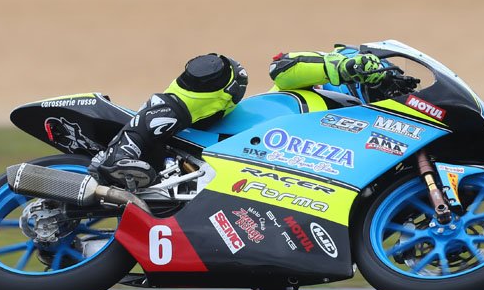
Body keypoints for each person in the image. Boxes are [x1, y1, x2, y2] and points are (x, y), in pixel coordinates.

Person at [90, 47, 388, 188]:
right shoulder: (322, 86)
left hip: (267, 181)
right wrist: (344, 65)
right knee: (224, 73)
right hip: (223, 139)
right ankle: (123, 150)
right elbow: (282, 67)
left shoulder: (361, 132)